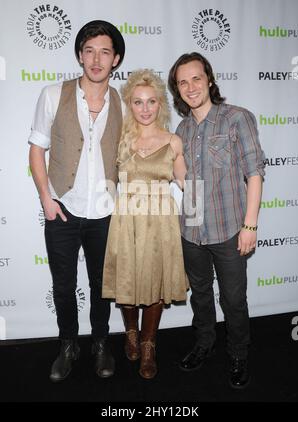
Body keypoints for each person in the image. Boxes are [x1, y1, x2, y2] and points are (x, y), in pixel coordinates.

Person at [28, 20, 125, 382]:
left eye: (104, 52)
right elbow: (37, 151)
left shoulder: (122, 101)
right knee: (63, 285)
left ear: (115, 59)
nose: (96, 59)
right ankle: (68, 344)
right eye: (89, 51)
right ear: (80, 55)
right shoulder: (53, 94)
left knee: (103, 286)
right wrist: (46, 200)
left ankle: (101, 343)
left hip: (105, 211)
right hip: (62, 209)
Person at [168, 52, 265, 389]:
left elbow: (254, 173)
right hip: (191, 230)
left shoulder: (237, 118)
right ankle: (204, 343)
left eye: (196, 78)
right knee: (200, 294)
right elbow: (184, 180)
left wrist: (250, 225)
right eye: (183, 82)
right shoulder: (180, 129)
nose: (191, 86)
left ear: (209, 79)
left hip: (229, 230)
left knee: (234, 299)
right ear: (177, 90)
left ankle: (238, 353)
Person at [102, 69, 188, 379]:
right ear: (129, 104)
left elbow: (187, 183)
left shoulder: (173, 140)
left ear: (160, 104)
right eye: (138, 102)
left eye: (151, 101)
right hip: (127, 219)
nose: (145, 108)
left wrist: (200, 221)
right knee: (127, 279)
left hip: (161, 221)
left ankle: (149, 343)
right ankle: (130, 332)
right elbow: (103, 178)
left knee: (154, 284)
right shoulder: (119, 139)